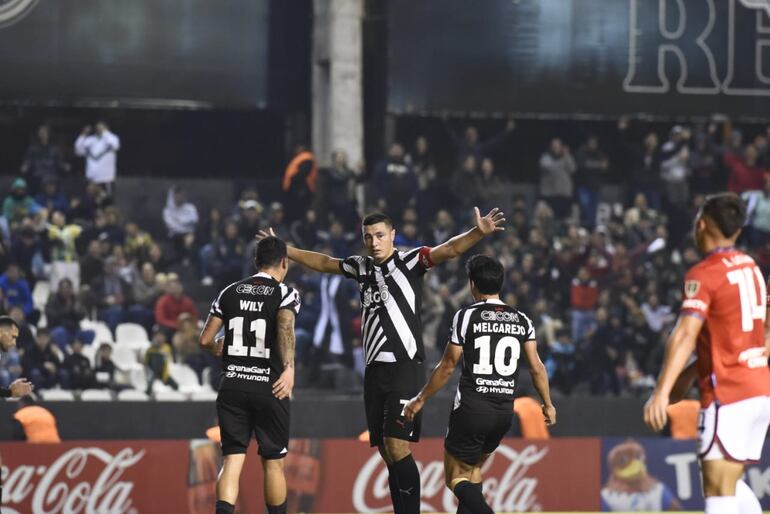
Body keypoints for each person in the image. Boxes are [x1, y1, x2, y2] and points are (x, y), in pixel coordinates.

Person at [258, 206, 505, 514]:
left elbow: (450, 249)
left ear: (392, 236)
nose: (373, 242)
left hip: (404, 364)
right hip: (374, 370)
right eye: (368, 237)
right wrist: (287, 250)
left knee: (398, 445)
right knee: (388, 451)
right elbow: (324, 263)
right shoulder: (361, 267)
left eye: (379, 236)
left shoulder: (410, 261)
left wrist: (478, 232)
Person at [644, 193, 770, 514]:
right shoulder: (752, 268)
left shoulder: (705, 273)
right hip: (759, 389)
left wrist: (660, 392)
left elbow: (685, 333)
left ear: (701, 224)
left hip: (728, 394)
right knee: (729, 482)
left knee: (715, 488)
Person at [403, 255, 555, 514]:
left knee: (455, 478)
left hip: (472, 409)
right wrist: (548, 404)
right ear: (501, 284)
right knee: (472, 473)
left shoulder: (466, 316)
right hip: (504, 412)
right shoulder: (521, 319)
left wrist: (421, 399)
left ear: (472, 284)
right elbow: (537, 367)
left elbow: (448, 366)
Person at [199, 235, 300, 514]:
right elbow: (285, 328)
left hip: (232, 385)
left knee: (232, 460)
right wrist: (290, 369)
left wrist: (218, 346)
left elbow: (204, 339)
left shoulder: (229, 292)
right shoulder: (285, 294)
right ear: (284, 262)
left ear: (255, 262)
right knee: (273, 462)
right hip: (270, 386)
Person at [74, 122, 120, 196]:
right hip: (91, 180)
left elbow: (116, 146)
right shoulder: (89, 140)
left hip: (106, 180)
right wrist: (83, 134)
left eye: (102, 127)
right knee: (90, 203)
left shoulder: (113, 138)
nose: (99, 128)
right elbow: (78, 151)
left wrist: (105, 132)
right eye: (98, 127)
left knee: (107, 203)